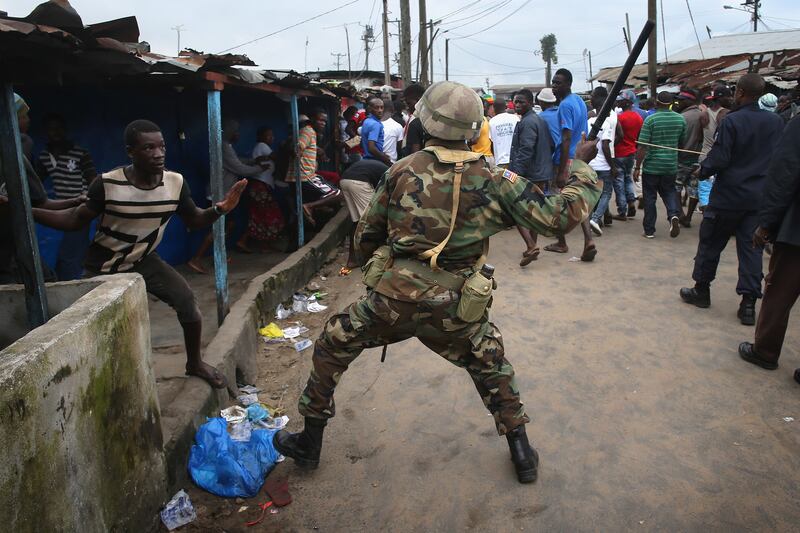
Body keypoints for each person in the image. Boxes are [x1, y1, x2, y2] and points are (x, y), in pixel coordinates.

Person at [272, 80, 602, 484]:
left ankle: (309, 442)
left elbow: (366, 236)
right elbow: (559, 218)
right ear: (474, 127)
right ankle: (521, 452)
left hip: (391, 301)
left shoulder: (400, 170)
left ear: (425, 119)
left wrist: (384, 269)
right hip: (457, 307)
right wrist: (581, 166)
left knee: (332, 343)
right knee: (490, 364)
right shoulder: (496, 178)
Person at [31, 119, 246, 388]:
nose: (158, 154)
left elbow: (194, 218)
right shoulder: (108, 184)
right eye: (148, 148)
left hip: (144, 258)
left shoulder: (175, 183)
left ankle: (195, 363)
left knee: (187, 302)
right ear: (130, 152)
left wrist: (220, 209)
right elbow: (75, 219)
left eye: (161, 146)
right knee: (91, 325)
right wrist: (28, 211)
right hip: (103, 265)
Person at [679, 73, 785, 325]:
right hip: (757, 198)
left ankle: (701, 290)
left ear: (740, 92)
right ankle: (748, 305)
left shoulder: (732, 121)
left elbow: (720, 157)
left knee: (710, 244)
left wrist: (702, 170)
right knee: (751, 250)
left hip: (728, 196)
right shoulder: (776, 122)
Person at [737, 115, 800, 384]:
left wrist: (767, 223)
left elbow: (784, 173)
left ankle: (765, 350)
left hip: (796, 233)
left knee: (780, 291)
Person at [1, 95, 80, 284]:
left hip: (13, 247)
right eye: (23, 116)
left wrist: (75, 201)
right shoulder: (23, 146)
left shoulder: (19, 156)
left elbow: (40, 201)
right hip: (11, 249)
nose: (28, 120)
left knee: (44, 280)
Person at [188, 119, 268, 274]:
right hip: (219, 194)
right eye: (236, 132)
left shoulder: (226, 146)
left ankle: (219, 255)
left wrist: (253, 161)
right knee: (218, 228)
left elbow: (237, 160)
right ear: (230, 132)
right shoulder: (224, 146)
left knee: (228, 225)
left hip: (223, 194)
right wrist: (259, 168)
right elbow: (238, 167)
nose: (238, 135)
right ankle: (196, 258)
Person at [35, 113, 97, 280]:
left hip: (81, 208)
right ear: (46, 132)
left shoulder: (79, 153)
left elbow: (93, 180)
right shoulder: (44, 156)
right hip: (60, 209)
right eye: (51, 129)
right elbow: (35, 182)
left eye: (59, 128)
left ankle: (73, 284)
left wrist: (90, 198)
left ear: (65, 130)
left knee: (72, 253)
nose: (55, 132)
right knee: (67, 253)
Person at [546, 68, 595, 261]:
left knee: (558, 201)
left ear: (568, 84)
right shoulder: (579, 101)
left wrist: (560, 172)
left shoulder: (565, 105)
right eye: (553, 82)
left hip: (566, 159)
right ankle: (588, 240)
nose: (554, 86)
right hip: (579, 157)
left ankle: (561, 242)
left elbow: (566, 138)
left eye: (558, 83)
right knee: (578, 199)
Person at [508, 89, 555, 266]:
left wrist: (515, 174)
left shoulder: (528, 122)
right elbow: (551, 144)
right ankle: (532, 246)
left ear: (530, 103)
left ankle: (530, 245)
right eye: (515, 101)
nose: (517, 105)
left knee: (515, 208)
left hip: (530, 173)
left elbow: (526, 150)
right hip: (540, 173)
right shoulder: (539, 120)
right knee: (534, 211)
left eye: (521, 101)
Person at [633, 91, 685, 239]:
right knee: (669, 192)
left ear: (656, 103)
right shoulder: (680, 119)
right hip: (670, 165)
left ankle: (649, 230)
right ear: (671, 103)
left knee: (650, 197)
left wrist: (637, 167)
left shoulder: (650, 120)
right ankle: (673, 215)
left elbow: (642, 146)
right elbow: (682, 142)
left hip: (652, 166)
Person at [284, 110, 343, 228]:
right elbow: (299, 146)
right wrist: (297, 151)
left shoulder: (308, 132)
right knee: (339, 194)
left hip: (299, 177)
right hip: (305, 176)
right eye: (320, 120)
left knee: (310, 210)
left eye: (324, 121)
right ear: (311, 119)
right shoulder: (308, 131)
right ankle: (310, 206)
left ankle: (312, 211)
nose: (323, 123)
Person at [235, 127, 285, 253]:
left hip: (260, 186)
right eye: (268, 135)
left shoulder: (261, 147)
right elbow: (276, 157)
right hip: (260, 186)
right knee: (270, 214)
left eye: (272, 135)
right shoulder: (262, 146)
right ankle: (258, 243)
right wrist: (284, 147)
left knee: (260, 216)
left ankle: (254, 243)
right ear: (260, 137)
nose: (272, 138)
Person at [338, 158, 388, 273]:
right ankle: (376, 258)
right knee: (373, 220)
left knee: (357, 222)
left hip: (345, 180)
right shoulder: (391, 174)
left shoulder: (381, 167)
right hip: (360, 182)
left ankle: (352, 260)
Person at [586, 87, 619, 236]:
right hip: (603, 165)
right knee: (605, 193)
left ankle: (591, 219)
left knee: (592, 193)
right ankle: (595, 219)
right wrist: (612, 166)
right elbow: (605, 145)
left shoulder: (589, 121)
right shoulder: (607, 123)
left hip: (590, 164)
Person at [696, 86, 733, 213]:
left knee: (705, 189)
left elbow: (699, 137)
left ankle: (706, 212)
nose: (731, 99)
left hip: (705, 155)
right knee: (718, 189)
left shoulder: (704, 114)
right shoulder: (726, 114)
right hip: (720, 157)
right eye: (729, 97)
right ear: (721, 98)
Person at [674, 89, 706, 227]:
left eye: (681, 100)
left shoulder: (683, 117)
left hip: (683, 157)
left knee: (676, 187)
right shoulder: (703, 115)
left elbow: (678, 139)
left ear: (689, 101)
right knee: (693, 189)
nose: (678, 102)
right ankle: (688, 216)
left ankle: (681, 213)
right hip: (698, 158)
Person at [614, 90, 644, 218]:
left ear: (627, 102)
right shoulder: (638, 117)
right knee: (628, 179)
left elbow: (616, 135)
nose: (618, 102)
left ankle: (622, 210)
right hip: (631, 152)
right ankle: (631, 202)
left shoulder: (619, 118)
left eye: (621, 100)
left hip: (619, 152)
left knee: (619, 182)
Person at [488, 98, 518, 168]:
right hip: (515, 159)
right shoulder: (515, 118)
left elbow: (491, 142)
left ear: (494, 108)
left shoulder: (492, 121)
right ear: (506, 107)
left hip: (500, 161)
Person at [361, 97, 391, 166]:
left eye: (382, 107)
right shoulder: (375, 124)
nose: (380, 110)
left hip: (366, 160)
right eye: (376, 108)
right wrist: (385, 158)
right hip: (374, 161)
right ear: (370, 109)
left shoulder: (366, 121)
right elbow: (371, 148)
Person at [401, 83, 426, 157]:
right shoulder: (413, 117)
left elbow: (415, 153)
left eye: (408, 103)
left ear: (418, 101)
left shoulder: (418, 121)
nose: (407, 107)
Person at [470, 99, 495, 167]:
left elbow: (474, 140)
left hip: (481, 158)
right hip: (489, 156)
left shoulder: (478, 120)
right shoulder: (485, 119)